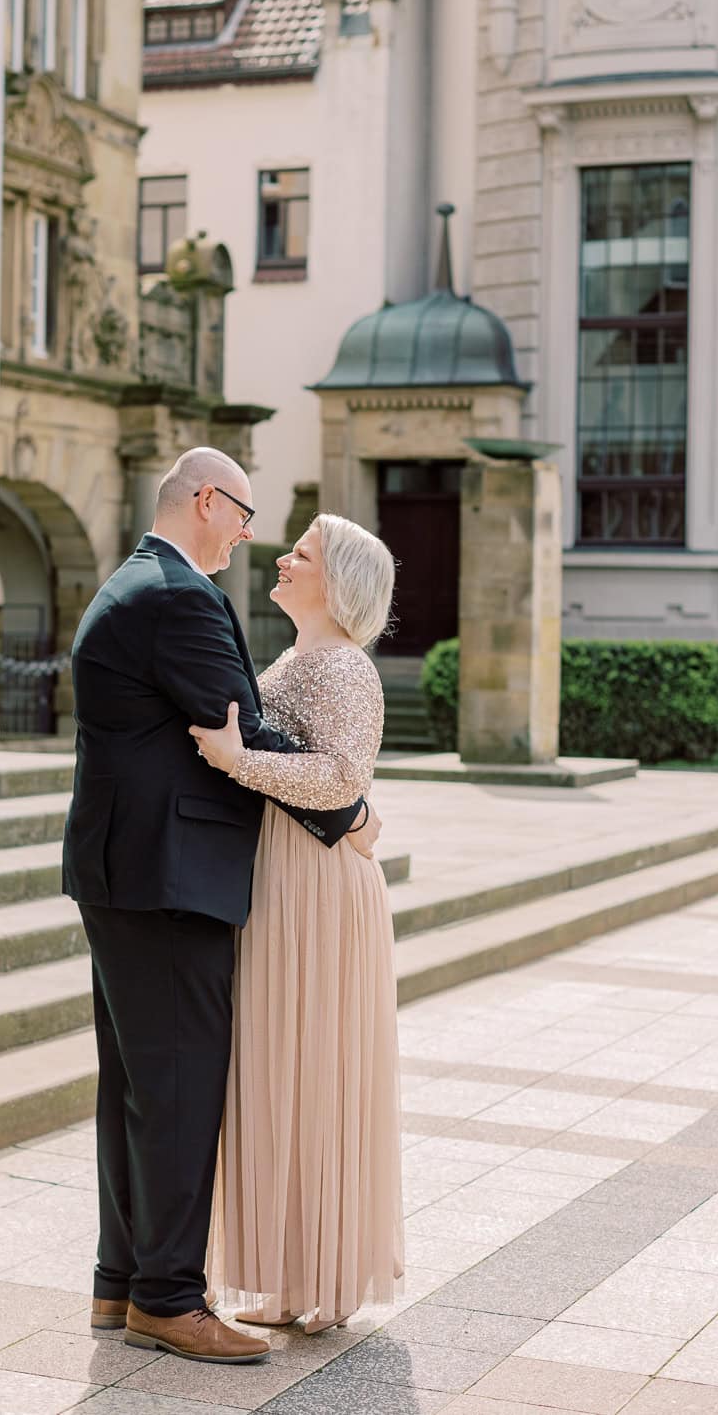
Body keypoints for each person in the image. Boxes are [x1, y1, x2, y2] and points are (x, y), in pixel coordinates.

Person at [62, 449, 377, 1366]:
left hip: (130, 871)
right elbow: (237, 722)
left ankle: (120, 1280)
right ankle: (168, 1295)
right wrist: (349, 810)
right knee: (179, 1088)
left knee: (133, 1084)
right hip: (165, 878)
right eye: (241, 514)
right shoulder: (178, 596)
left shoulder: (140, 582)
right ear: (206, 499)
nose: (250, 534)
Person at [192, 513, 404, 1334]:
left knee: (312, 1065)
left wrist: (235, 758)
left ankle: (325, 1274)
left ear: (336, 581)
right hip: (279, 876)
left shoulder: (344, 667)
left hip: (316, 887)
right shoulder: (295, 656)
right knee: (278, 1068)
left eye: (302, 553)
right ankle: (288, 1271)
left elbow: (342, 778)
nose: (283, 556)